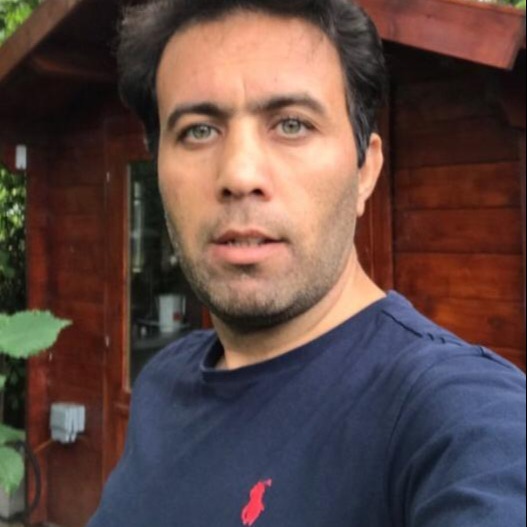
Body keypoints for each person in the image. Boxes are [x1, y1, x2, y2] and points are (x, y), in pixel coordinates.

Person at [88, 0, 526, 525]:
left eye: (292, 124)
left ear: (365, 171)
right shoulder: (162, 383)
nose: (240, 174)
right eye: (199, 130)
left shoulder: (460, 418)